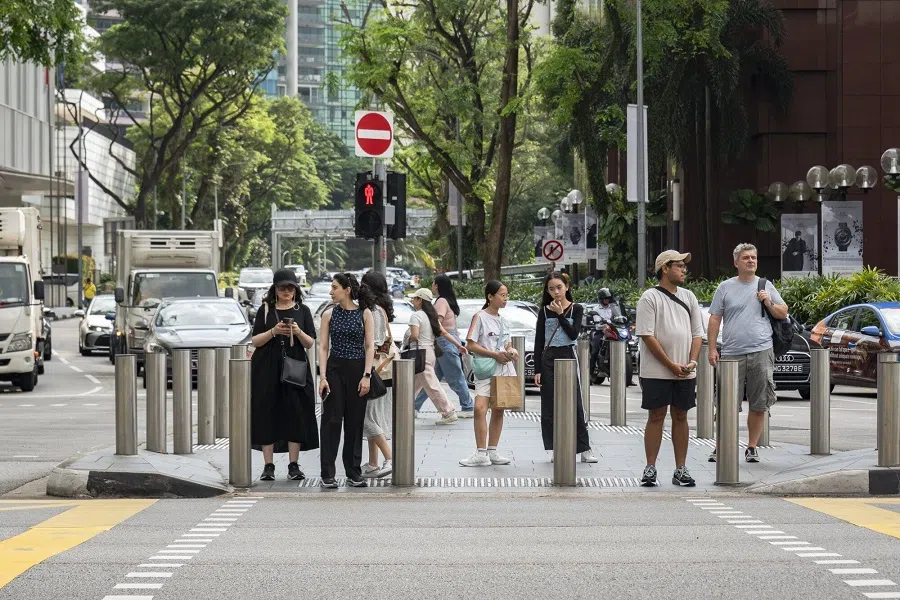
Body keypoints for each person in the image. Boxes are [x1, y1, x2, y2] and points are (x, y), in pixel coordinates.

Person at [707, 243, 788, 463]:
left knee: (759, 402)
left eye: (753, 257)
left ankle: (752, 446)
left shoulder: (765, 285)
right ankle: (722, 445)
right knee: (725, 402)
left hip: (761, 350)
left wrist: (767, 301)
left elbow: (783, 312)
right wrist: (713, 348)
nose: (750, 261)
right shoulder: (725, 287)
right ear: (736, 263)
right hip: (732, 352)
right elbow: (715, 318)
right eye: (745, 258)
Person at [635, 251, 703, 487]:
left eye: (684, 266)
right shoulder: (649, 298)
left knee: (681, 415)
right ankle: (650, 467)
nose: (684, 270)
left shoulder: (689, 297)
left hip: (685, 370)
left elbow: (697, 334)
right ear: (665, 268)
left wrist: (692, 361)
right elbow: (647, 335)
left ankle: (680, 468)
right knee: (656, 416)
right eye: (679, 266)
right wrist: (670, 364)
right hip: (656, 371)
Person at [249, 268, 319, 482]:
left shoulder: (303, 310)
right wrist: (273, 332)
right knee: (267, 412)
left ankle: (293, 464)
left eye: (290, 287)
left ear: (296, 289)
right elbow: (255, 341)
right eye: (282, 288)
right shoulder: (266, 310)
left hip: (295, 367)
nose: (286, 291)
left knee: (295, 414)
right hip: (267, 368)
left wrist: (297, 332)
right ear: (275, 289)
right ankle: (268, 465)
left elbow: (310, 343)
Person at [318, 273, 376, 488]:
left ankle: (353, 471)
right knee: (331, 421)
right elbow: (323, 347)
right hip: (334, 369)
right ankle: (328, 473)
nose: (331, 291)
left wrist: (367, 375)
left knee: (354, 423)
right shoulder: (329, 314)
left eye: (334, 287)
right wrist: (322, 376)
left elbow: (370, 346)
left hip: (358, 369)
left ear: (347, 290)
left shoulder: (365, 313)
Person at [534, 272, 597, 463]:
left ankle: (584, 448)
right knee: (551, 405)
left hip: (568, 355)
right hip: (549, 358)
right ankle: (556, 446)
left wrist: (561, 315)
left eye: (559, 287)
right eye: (551, 289)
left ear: (567, 287)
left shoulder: (576, 309)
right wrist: (537, 369)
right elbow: (539, 342)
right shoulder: (544, 311)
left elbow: (573, 335)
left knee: (575, 403)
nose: (556, 292)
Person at [459, 280, 518, 467]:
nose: (505, 298)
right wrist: (495, 354)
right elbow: (470, 344)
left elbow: (507, 344)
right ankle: (480, 452)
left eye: (506, 295)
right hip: (486, 368)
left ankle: (492, 451)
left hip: (504, 368)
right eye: (501, 295)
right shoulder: (480, 317)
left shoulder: (504, 321)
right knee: (479, 408)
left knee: (499, 409)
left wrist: (512, 351)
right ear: (490, 296)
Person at [414, 275, 475, 418]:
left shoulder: (441, 301)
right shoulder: (447, 301)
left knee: (455, 377)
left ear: (437, 286)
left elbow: (437, 323)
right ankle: (414, 406)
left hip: (444, 342)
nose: (432, 285)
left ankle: (468, 406)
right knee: (430, 380)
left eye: (433, 283)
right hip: (446, 342)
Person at [406, 288, 464, 425]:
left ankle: (448, 412)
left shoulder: (416, 316)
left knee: (432, 385)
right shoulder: (431, 316)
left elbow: (414, 336)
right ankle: (404, 408)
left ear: (420, 300)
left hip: (420, 354)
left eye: (414, 298)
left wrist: (407, 340)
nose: (412, 301)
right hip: (429, 353)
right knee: (412, 385)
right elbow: (444, 333)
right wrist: (458, 345)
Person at [361, 271, 394, 479]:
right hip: (385, 370)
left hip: (373, 370)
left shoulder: (371, 311)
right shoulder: (381, 309)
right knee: (374, 416)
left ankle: (390, 458)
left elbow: (370, 343)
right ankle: (373, 463)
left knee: (366, 418)